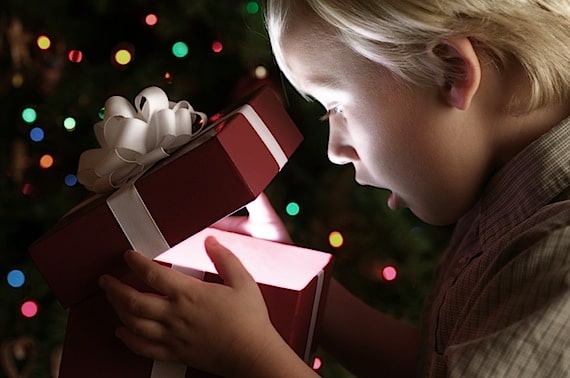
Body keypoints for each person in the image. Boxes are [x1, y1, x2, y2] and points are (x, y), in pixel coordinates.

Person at [98, 0, 570, 376]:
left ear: (450, 70)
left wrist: (252, 358)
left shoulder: (558, 257)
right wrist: (295, 281)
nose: (336, 150)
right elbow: (435, 364)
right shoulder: (503, 206)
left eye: (336, 108)